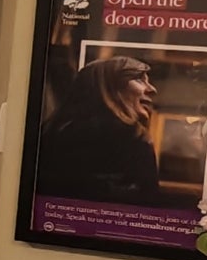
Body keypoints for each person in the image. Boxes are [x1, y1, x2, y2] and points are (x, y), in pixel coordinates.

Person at [33, 55, 172, 206]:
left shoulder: (50, 135)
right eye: (139, 79)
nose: (152, 89)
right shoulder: (135, 140)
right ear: (108, 87)